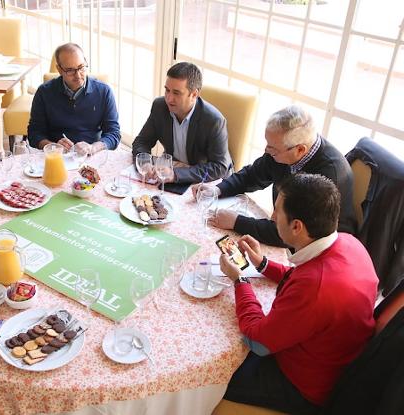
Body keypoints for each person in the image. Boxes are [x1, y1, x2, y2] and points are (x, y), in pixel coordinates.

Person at [216, 174, 378, 415]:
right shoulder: (348, 243)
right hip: (335, 360)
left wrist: (240, 280)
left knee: (215, 378)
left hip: (302, 387)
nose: (271, 217)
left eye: (277, 211)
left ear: (296, 226)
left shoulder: (315, 289)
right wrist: (262, 264)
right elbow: (301, 277)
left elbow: (257, 342)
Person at [192, 105, 356, 247]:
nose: (266, 151)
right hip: (284, 228)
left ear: (300, 150)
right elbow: (252, 175)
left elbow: (289, 233)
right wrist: (217, 189)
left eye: (273, 149)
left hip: (314, 251)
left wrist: (236, 221)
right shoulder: (282, 151)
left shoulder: (328, 176)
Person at [131, 62, 232, 184]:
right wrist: (145, 163)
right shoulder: (160, 106)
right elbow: (142, 141)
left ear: (194, 94)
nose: (169, 98)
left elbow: (219, 167)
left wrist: (176, 175)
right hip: (173, 171)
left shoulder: (214, 121)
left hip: (206, 182)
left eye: (176, 93)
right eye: (167, 90)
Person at [27, 43, 121, 154]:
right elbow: (34, 133)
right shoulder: (44, 92)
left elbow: (114, 133)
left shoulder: (104, 91)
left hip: (92, 154)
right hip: (56, 156)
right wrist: (51, 146)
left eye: (81, 67)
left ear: (85, 62)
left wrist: (94, 147)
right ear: (59, 70)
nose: (78, 75)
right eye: (70, 70)